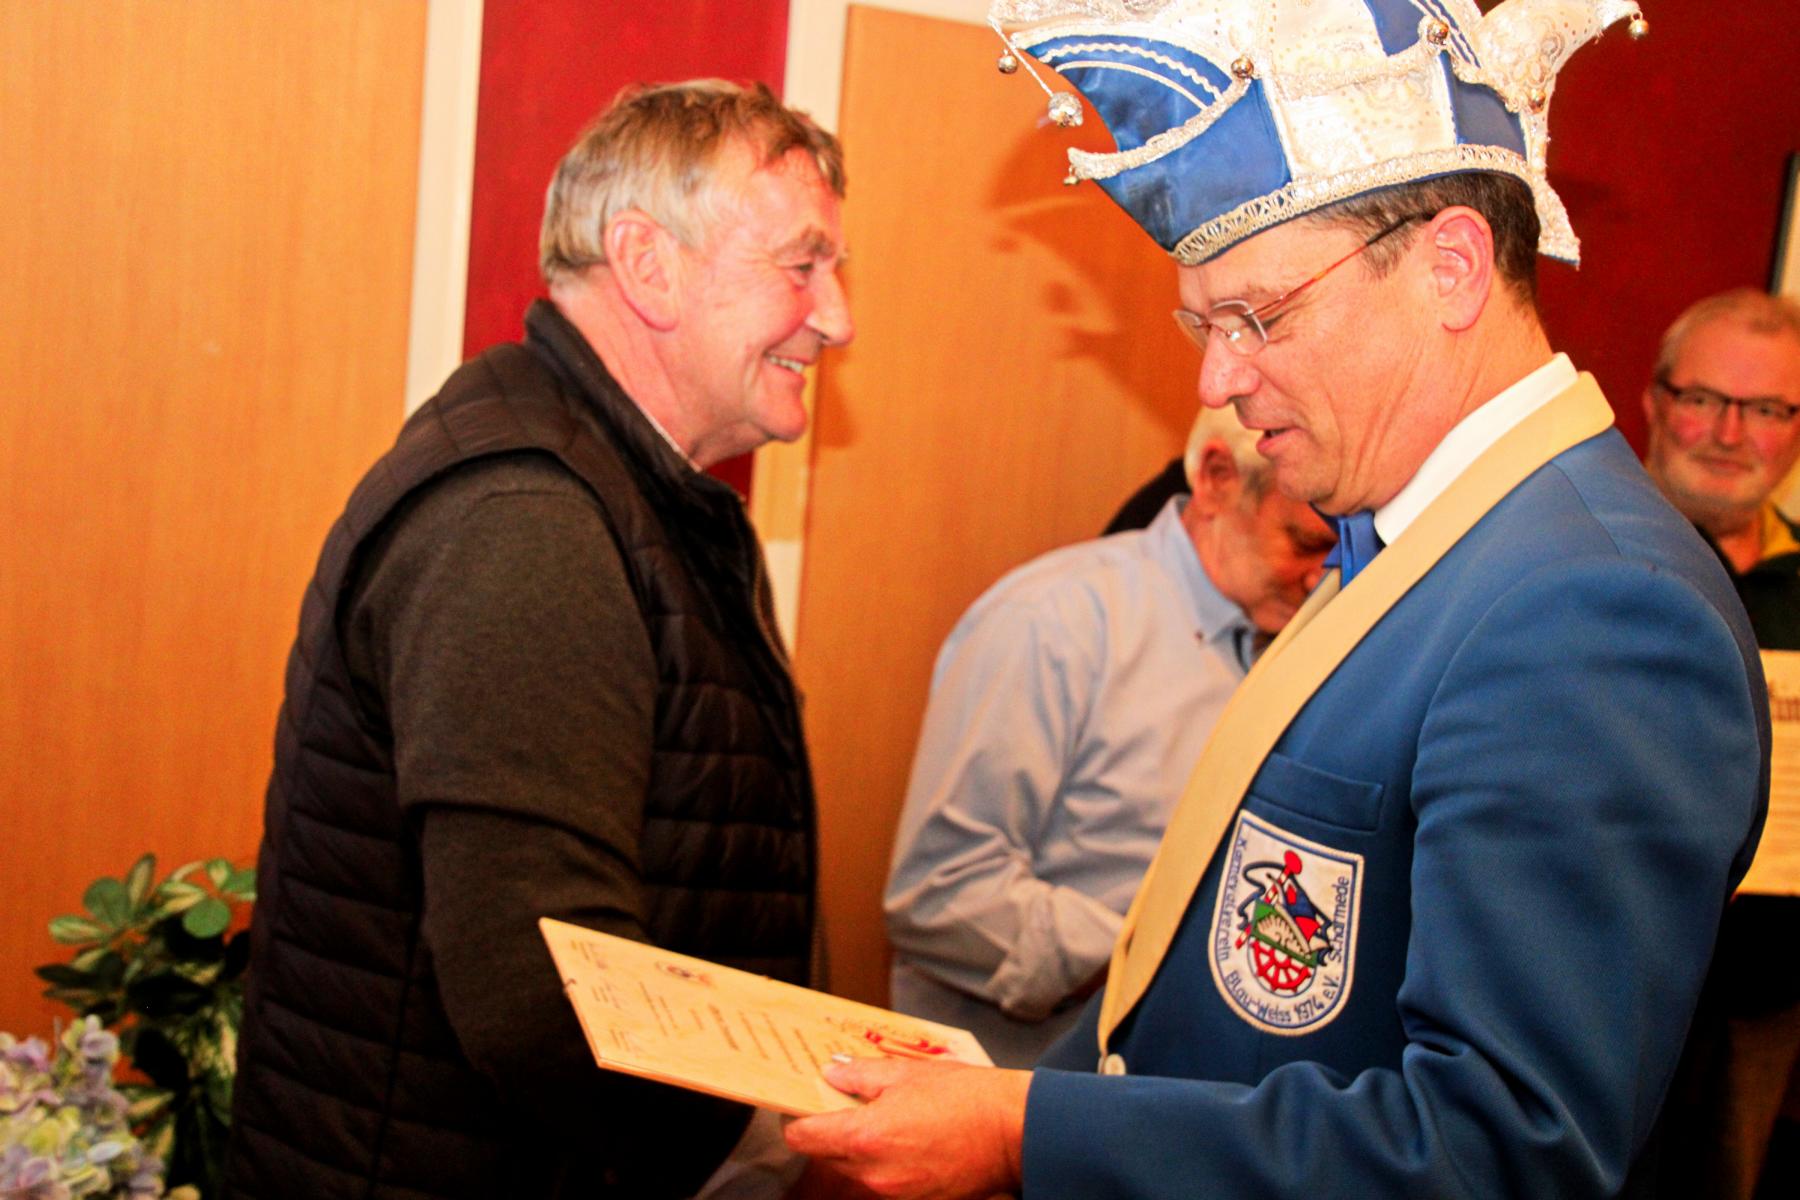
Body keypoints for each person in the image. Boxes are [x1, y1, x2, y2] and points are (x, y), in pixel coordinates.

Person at [784, 4, 1768, 1198]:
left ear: (1452, 268)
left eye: (1261, 316)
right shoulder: (1430, 540)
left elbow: (1499, 1151)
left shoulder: (1596, 612)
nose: (1218, 377)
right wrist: (1026, 1099)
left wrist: (1026, 1135)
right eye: (1204, 325)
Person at [223, 81, 851, 1200]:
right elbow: (542, 997)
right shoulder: (526, 518)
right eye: (802, 266)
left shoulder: (626, 493)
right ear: (648, 264)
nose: (837, 318)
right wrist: (766, 1151)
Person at [884, 406, 1333, 1066]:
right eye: (1303, 542)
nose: (1322, 576)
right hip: (1017, 1086)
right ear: (1216, 479)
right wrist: (1158, 958)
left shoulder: (1299, 640)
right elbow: (939, 893)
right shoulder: (1052, 622)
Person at [1639, 288, 1800, 1199]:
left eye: (1768, 409)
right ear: (1655, 401)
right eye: (1705, 399)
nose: (1731, 434)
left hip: (1764, 995)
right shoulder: (1589, 557)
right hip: (1608, 981)